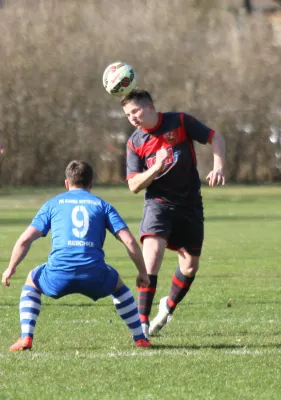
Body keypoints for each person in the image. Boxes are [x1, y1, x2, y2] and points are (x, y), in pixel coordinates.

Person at [1, 160, 152, 351]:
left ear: (66, 183)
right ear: (91, 184)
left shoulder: (52, 204)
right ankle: (140, 338)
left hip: (57, 275)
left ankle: (26, 337)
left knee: (32, 280)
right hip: (94, 276)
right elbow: (129, 241)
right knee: (119, 286)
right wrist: (142, 273)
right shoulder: (102, 205)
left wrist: (11, 268)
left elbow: (25, 240)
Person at [121, 88, 225, 337]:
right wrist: (155, 167)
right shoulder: (135, 143)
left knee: (189, 267)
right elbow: (134, 185)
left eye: (135, 111)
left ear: (150, 107)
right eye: (127, 114)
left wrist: (218, 166)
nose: (132, 117)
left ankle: (167, 307)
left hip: (190, 204)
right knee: (152, 256)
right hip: (159, 204)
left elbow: (216, 137)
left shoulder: (179, 121)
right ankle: (142, 324)